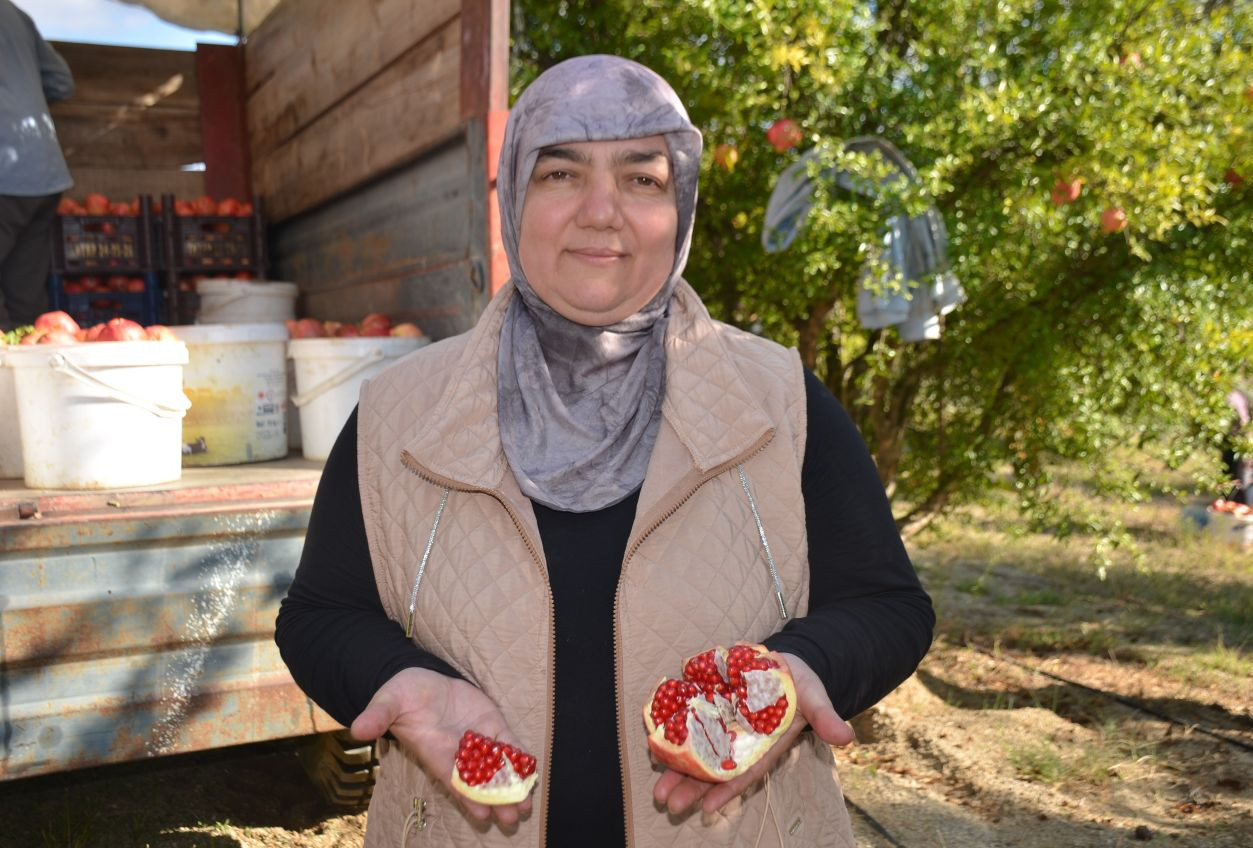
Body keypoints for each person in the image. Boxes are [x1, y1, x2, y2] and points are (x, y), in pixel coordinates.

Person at [276, 54, 934, 847]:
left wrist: (799, 671)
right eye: (560, 175)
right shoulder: (397, 414)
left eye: (642, 178)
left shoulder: (781, 402)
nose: (600, 212)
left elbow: (890, 607)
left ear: (682, 203)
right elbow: (320, 615)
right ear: (514, 194)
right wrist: (403, 683)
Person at [0, 0, 74, 330]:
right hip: (43, 172)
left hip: (5, 172)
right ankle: (21, 378)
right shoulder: (14, 13)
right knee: (25, 298)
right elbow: (61, 82)